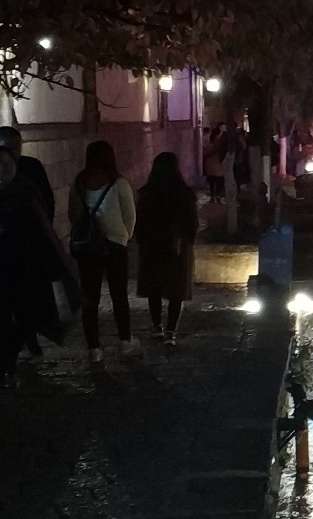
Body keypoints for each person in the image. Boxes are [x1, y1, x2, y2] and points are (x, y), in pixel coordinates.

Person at [0, 145, 79, 387]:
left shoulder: (25, 191)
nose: (10, 168)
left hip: (25, 268)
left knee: (27, 317)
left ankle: (9, 359)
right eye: (3, 164)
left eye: (12, 163)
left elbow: (42, 227)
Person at [68, 139, 139, 362]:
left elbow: (73, 214)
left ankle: (94, 349)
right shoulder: (118, 183)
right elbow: (130, 216)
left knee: (90, 298)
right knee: (119, 295)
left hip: (88, 247)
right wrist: (124, 237)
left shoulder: (79, 182)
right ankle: (125, 341)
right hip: (114, 245)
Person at [135, 151, 198, 345]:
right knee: (176, 289)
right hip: (177, 246)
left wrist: (142, 241)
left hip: (152, 245)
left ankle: (157, 327)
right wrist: (187, 242)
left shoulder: (147, 194)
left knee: (154, 286)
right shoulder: (184, 193)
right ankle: (171, 331)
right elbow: (192, 223)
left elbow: (139, 222)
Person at [202, 123, 228, 202]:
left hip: (209, 163)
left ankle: (213, 196)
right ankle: (218, 196)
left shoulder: (206, 138)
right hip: (218, 163)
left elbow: (204, 150)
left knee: (212, 181)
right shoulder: (219, 141)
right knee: (219, 180)